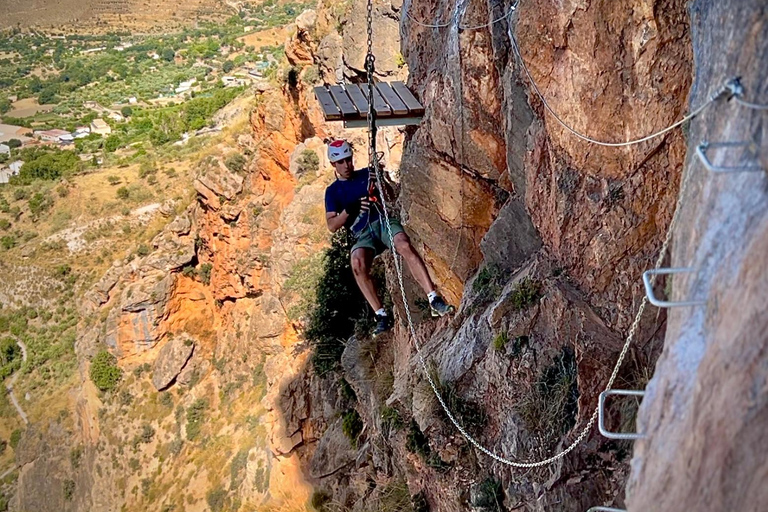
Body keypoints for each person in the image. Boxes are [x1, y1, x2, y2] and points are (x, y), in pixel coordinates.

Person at [324, 139, 454, 336]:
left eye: (348, 160)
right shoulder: (333, 192)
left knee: (403, 245)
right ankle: (381, 315)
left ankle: (433, 298)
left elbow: (391, 196)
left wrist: (381, 180)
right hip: (362, 232)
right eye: (341, 162)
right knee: (357, 263)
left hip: (382, 220)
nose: (346, 165)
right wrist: (348, 211)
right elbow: (332, 225)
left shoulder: (368, 174)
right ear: (333, 164)